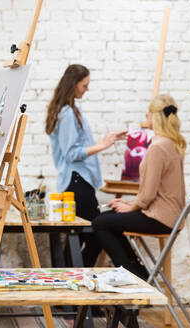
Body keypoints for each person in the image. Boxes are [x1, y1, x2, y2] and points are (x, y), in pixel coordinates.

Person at [93, 94, 186, 280]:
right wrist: (128, 204)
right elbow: (157, 191)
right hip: (170, 215)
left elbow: (149, 194)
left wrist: (130, 207)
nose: (146, 117)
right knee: (110, 220)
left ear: (155, 116)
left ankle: (134, 278)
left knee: (100, 223)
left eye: (148, 114)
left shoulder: (157, 148)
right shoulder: (172, 144)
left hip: (160, 217)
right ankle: (140, 275)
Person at [45, 64, 127, 267]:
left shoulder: (71, 110)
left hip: (79, 182)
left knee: (81, 236)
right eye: (84, 85)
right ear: (74, 85)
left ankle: (66, 287)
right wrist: (101, 146)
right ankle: (69, 286)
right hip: (77, 182)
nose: (87, 89)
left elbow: (79, 147)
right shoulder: (67, 114)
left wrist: (107, 139)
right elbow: (71, 153)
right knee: (93, 234)